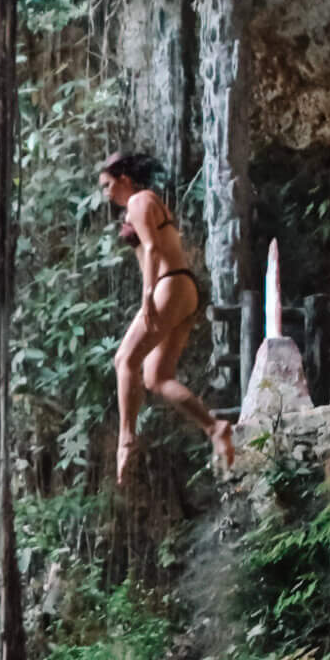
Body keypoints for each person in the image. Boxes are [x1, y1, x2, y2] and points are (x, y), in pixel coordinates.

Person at [97, 148, 235, 483]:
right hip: (180, 289)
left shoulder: (139, 200)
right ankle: (215, 427)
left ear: (124, 180)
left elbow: (153, 248)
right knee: (155, 378)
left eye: (107, 185)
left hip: (168, 285)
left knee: (124, 360)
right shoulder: (146, 202)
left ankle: (126, 439)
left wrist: (147, 293)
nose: (106, 193)